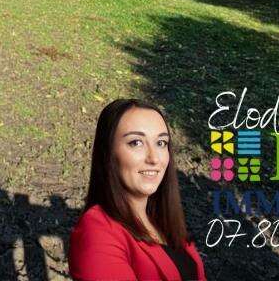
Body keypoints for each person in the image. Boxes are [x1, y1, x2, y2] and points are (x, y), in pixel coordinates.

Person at [69, 99, 206, 281]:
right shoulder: (97, 231)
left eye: (161, 143)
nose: (154, 158)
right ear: (108, 153)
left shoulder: (162, 220)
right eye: (136, 143)